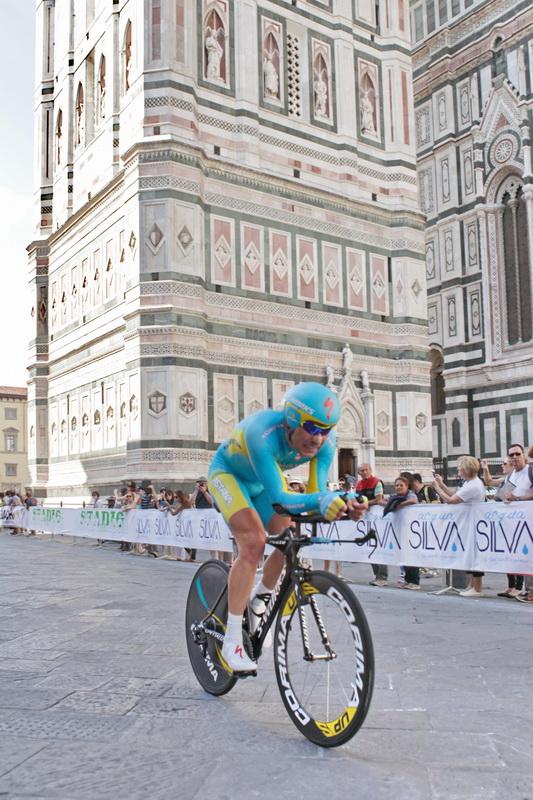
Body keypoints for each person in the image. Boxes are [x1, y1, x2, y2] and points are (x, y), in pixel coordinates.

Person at [208, 381, 367, 672]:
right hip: (228, 476)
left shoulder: (325, 445)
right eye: (312, 428)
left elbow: (317, 495)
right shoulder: (262, 433)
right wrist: (322, 500)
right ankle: (231, 640)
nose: (319, 439)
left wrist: (345, 505)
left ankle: (260, 599)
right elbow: (282, 497)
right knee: (254, 543)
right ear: (292, 420)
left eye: (326, 430)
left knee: (289, 537)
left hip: (260, 483)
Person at [433, 455, 486, 597]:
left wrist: (437, 488)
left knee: (474, 555)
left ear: (466, 469)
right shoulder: (470, 483)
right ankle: (471, 585)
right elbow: (456, 494)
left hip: (473, 522)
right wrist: (442, 484)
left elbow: (451, 500)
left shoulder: (473, 485)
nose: (458, 469)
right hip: (469, 522)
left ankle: (477, 588)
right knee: (469, 554)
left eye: (459, 467)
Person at [481, 456, 524, 598]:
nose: (502, 466)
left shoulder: (519, 479)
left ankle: (518, 586)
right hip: (504, 522)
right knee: (507, 554)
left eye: (504, 464)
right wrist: (486, 469)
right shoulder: (506, 479)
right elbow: (488, 482)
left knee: (517, 554)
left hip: (515, 522)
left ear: (512, 465)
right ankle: (511, 585)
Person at [356, 464, 386, 586]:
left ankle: (382, 577)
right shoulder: (358, 484)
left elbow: (379, 499)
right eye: (361, 471)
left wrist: (365, 503)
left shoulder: (377, 482)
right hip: (365, 516)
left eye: (366, 470)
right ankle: (377, 576)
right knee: (370, 545)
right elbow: (357, 498)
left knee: (378, 544)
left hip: (376, 515)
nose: (364, 472)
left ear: (370, 470)